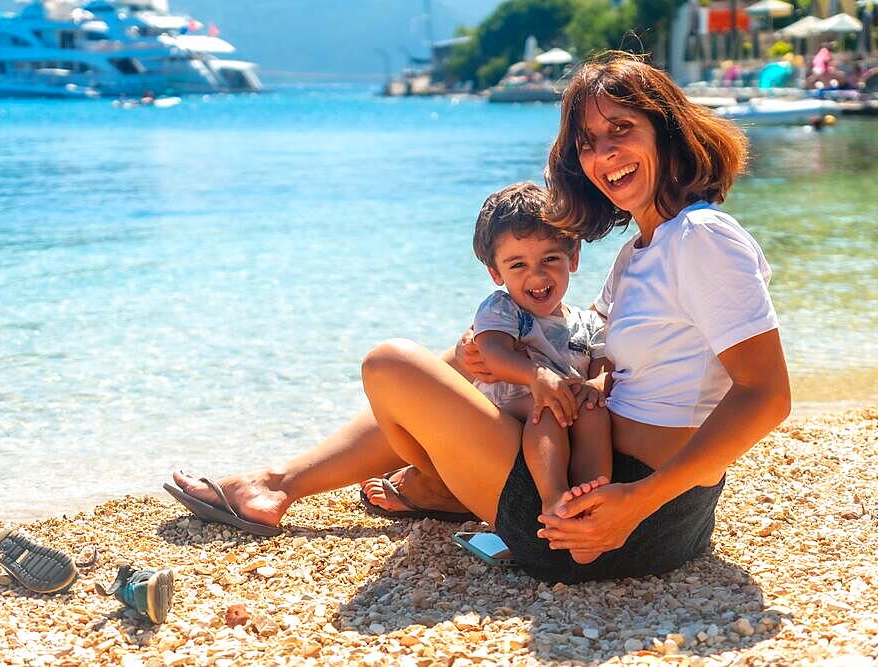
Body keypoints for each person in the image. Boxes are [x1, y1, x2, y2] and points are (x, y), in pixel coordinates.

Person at [168, 50, 790, 583]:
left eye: (621, 130)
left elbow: (766, 396)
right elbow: (616, 369)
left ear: (666, 131)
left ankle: (299, 485)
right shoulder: (641, 252)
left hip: (615, 520)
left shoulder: (702, 236)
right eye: (587, 144)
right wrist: (535, 377)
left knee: (389, 364)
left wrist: (634, 502)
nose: (605, 156)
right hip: (602, 488)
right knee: (463, 358)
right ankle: (365, 486)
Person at [468, 182, 611, 528]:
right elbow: (493, 352)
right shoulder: (503, 309)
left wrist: (595, 384)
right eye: (517, 265)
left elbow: (606, 366)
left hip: (565, 410)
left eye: (550, 258)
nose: (537, 274)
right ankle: (554, 499)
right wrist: (536, 376)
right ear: (496, 273)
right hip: (508, 408)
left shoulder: (589, 323)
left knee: (594, 411)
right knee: (542, 407)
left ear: (573, 258)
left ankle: (592, 496)